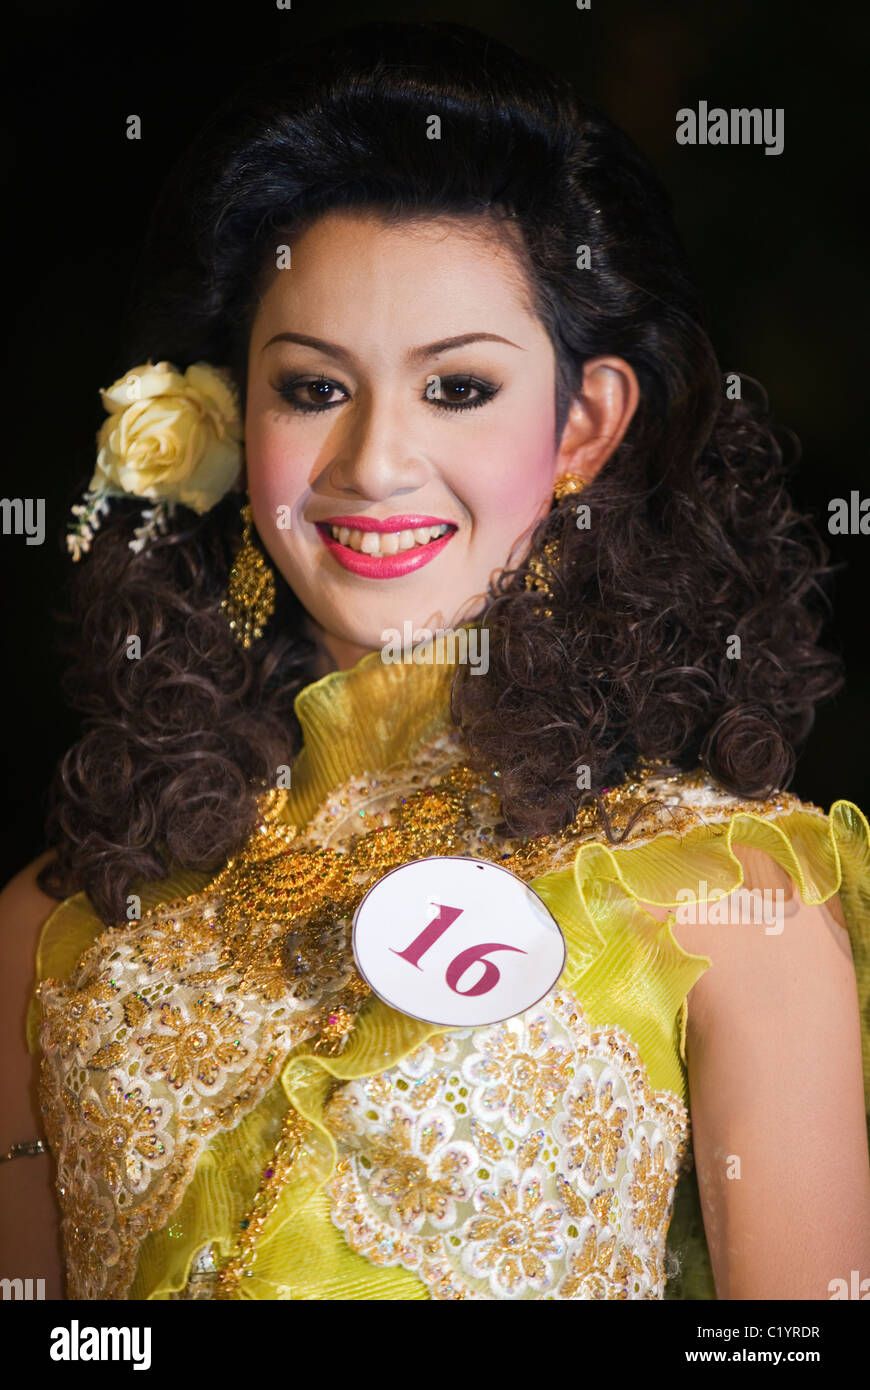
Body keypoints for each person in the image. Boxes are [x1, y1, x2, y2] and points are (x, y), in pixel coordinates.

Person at [1, 20, 868, 1302]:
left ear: (584, 424)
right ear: (233, 412)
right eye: (312, 388)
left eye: (457, 388)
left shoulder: (724, 899)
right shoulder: (60, 922)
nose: (374, 464)